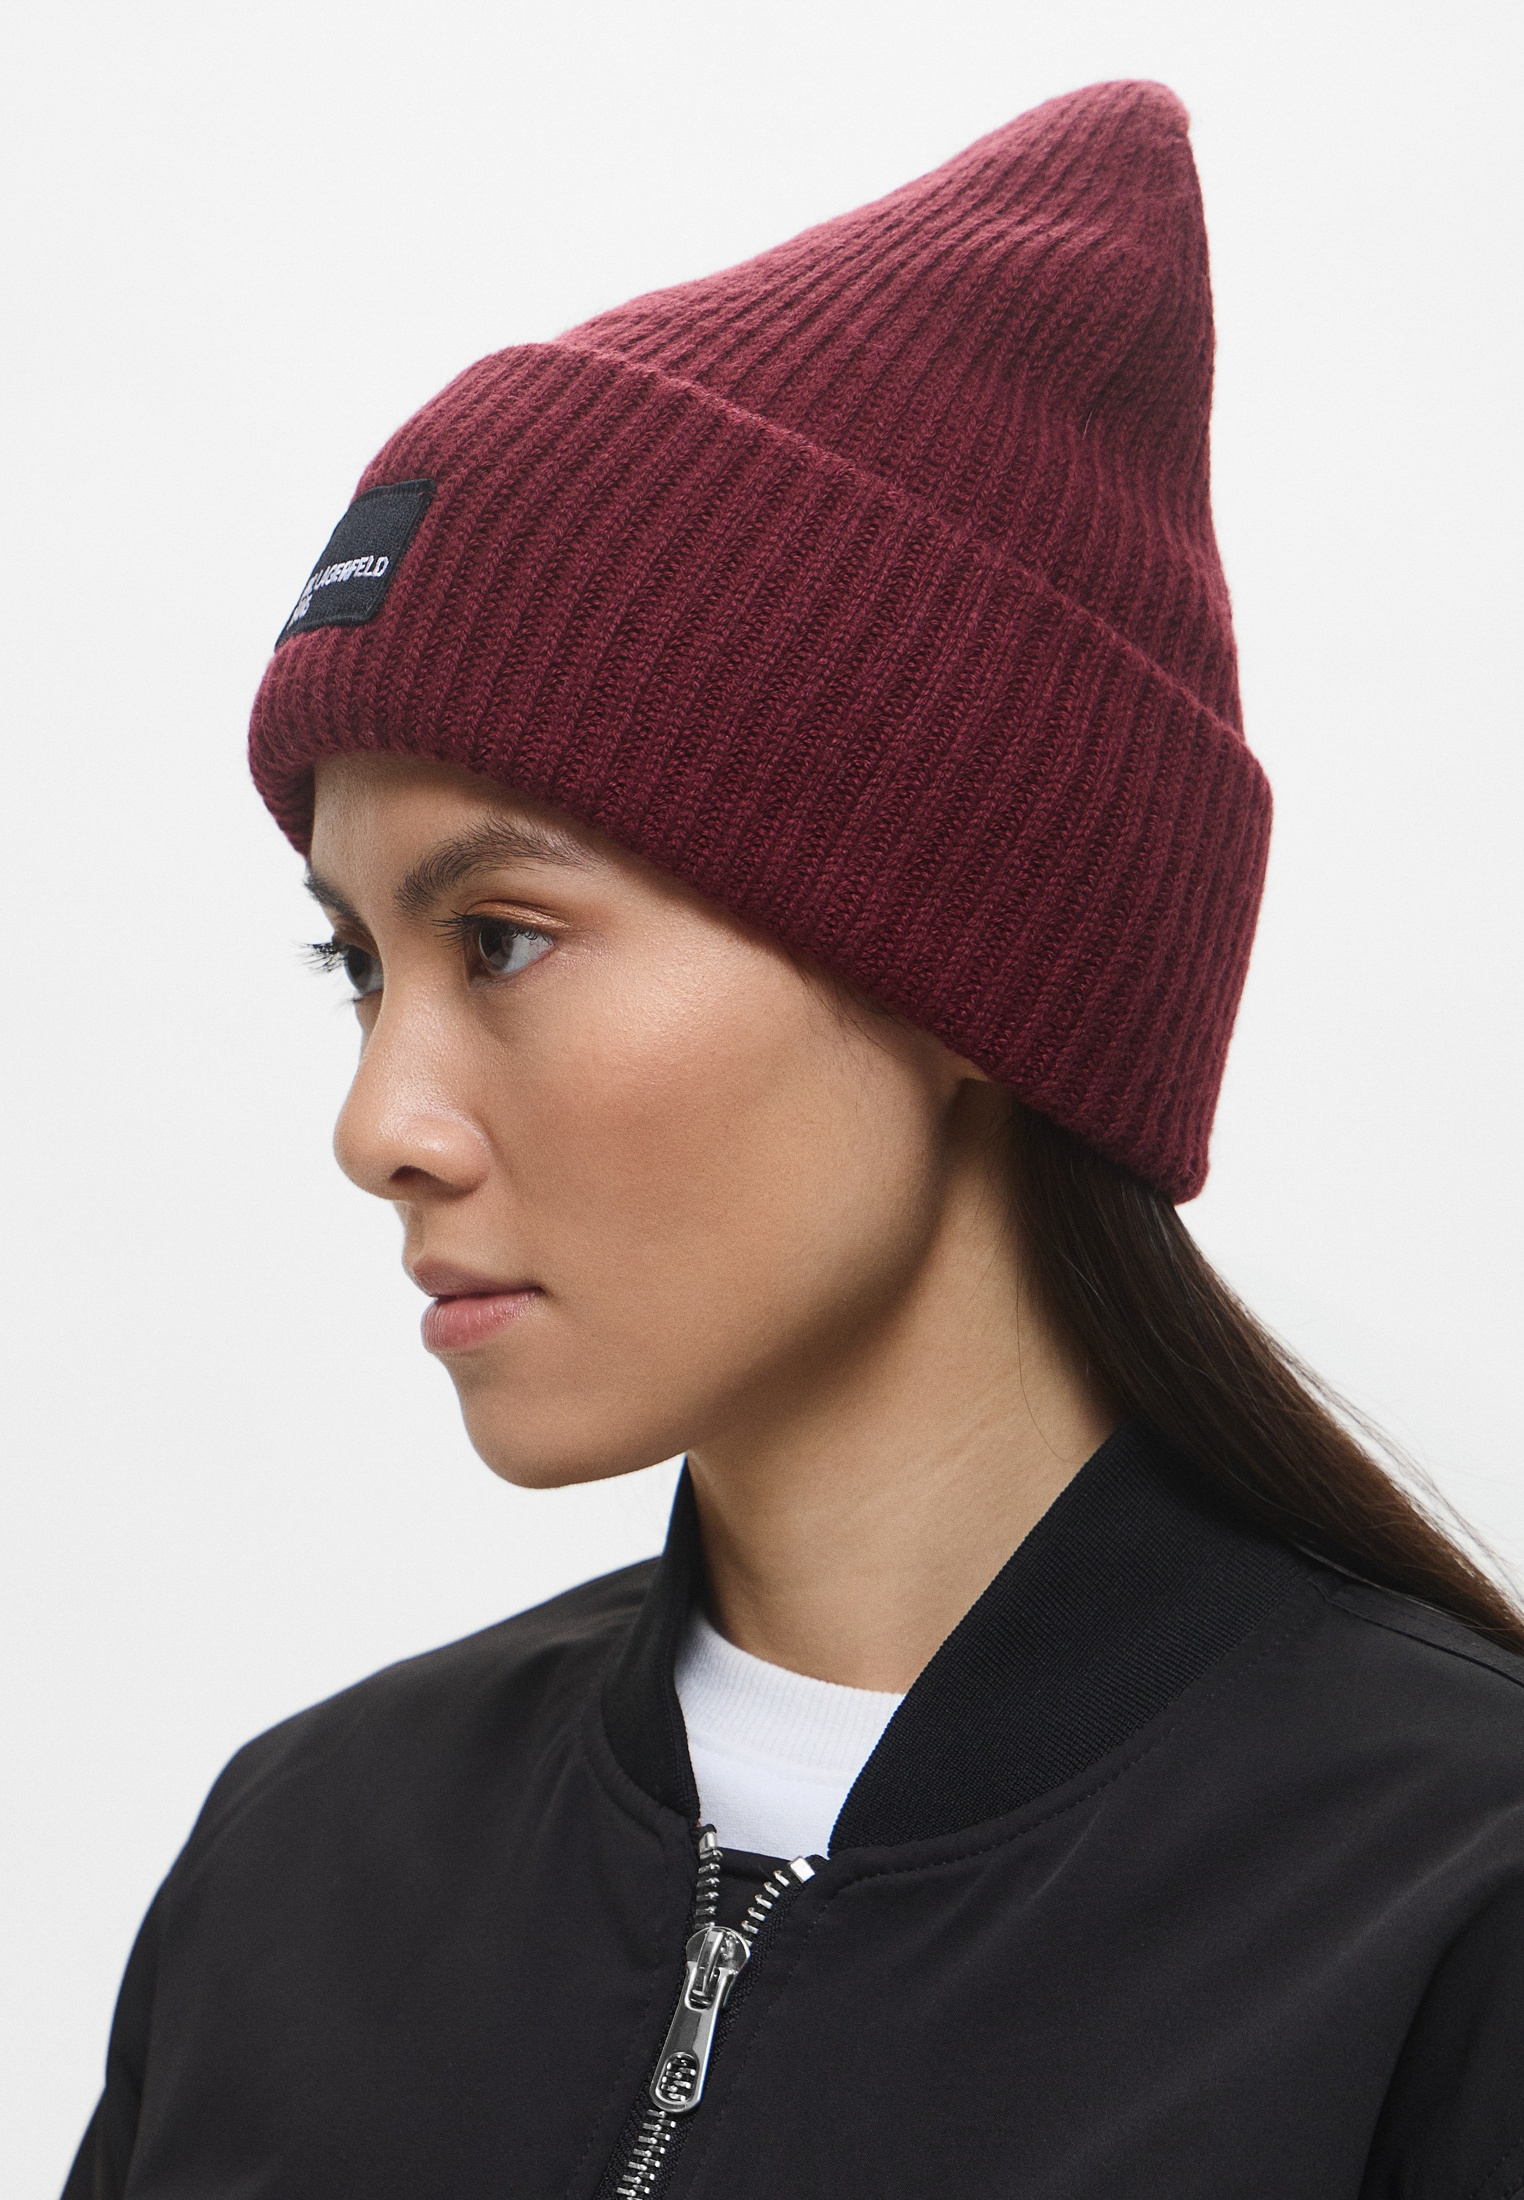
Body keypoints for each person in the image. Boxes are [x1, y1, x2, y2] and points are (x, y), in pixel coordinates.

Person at [64, 79, 1524, 2200]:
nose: (379, 1124)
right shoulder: (298, 1874)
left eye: (503, 936)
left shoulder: (1452, 1925)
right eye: (357, 963)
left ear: (969, 963)